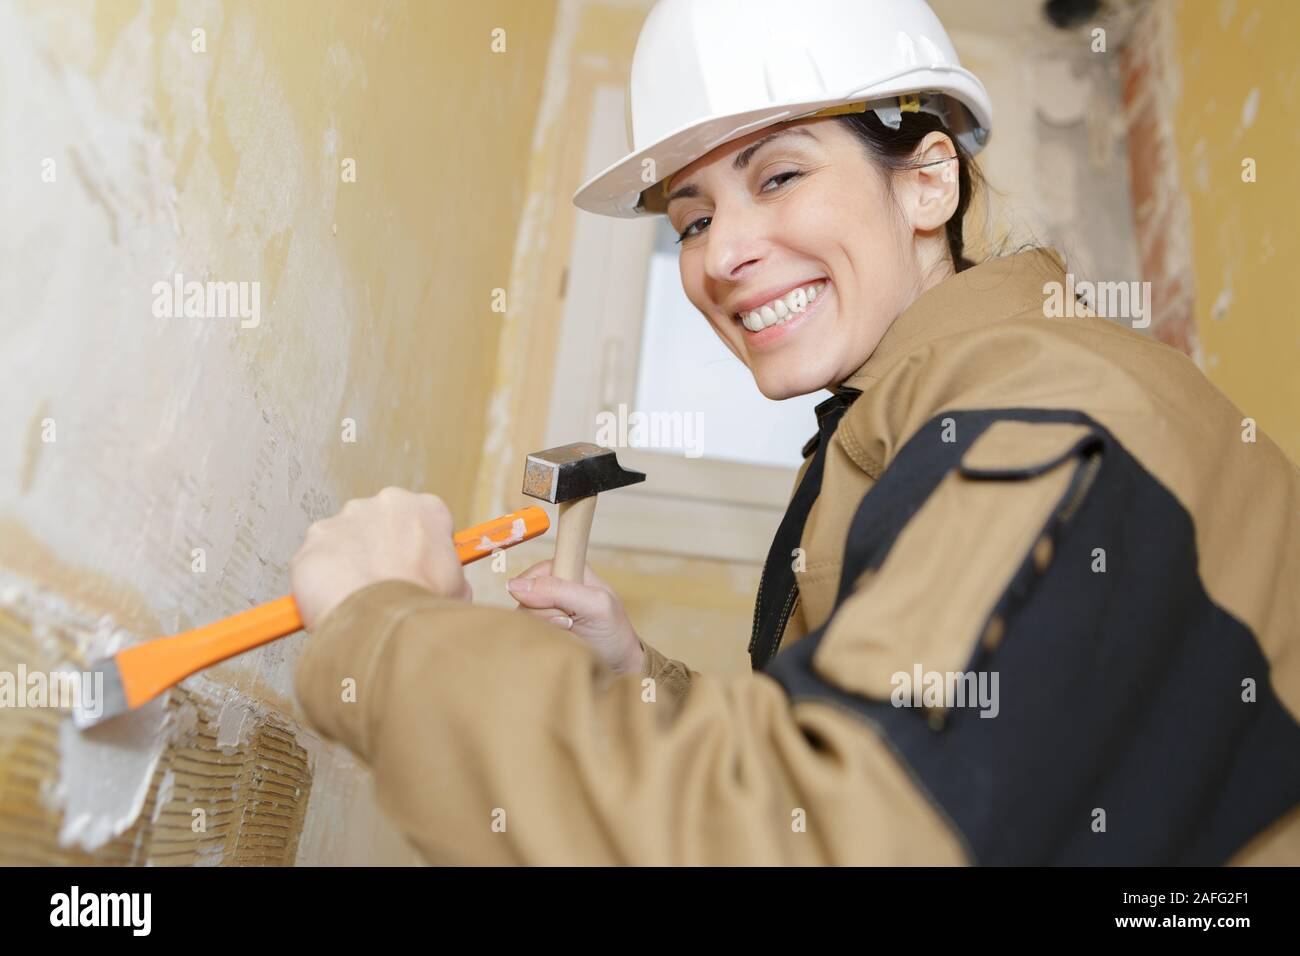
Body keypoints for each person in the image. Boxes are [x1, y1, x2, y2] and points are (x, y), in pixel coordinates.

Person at [289, 0, 1300, 864]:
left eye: (778, 177)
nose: (722, 253)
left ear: (927, 181)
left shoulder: (1037, 414)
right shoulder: (909, 419)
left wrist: (386, 631)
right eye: (689, 219)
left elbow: (825, 838)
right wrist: (639, 683)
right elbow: (862, 758)